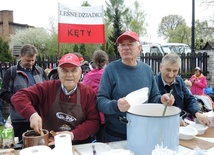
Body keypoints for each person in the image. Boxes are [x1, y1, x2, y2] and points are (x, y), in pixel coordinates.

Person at [96, 31, 174, 142]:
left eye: (130, 44)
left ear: (139, 48)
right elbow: (100, 102)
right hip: (115, 136)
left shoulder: (146, 70)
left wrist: (162, 99)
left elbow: (154, 98)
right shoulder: (111, 70)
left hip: (143, 133)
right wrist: (116, 105)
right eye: (122, 45)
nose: (126, 48)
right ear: (118, 49)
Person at [11, 53, 100, 145]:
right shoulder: (47, 88)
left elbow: (94, 122)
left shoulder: (88, 92)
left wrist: (72, 135)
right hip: (50, 145)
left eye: (74, 70)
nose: (69, 75)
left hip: (79, 146)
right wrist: (32, 115)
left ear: (80, 72)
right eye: (64, 71)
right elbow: (18, 97)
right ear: (58, 72)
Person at [0, 44, 48, 142]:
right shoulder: (12, 72)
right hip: (20, 119)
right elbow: (4, 93)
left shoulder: (40, 71)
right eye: (27, 60)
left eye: (33, 60)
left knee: (41, 144)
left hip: (39, 117)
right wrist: (21, 102)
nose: (30, 63)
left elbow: (48, 91)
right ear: (20, 56)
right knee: (23, 145)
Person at [154, 53, 211, 126]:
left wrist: (197, 113)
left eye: (175, 71)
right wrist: (174, 119)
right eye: (168, 70)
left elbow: (189, 98)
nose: (171, 74)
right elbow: (151, 107)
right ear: (161, 67)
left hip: (182, 124)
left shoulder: (179, 81)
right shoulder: (153, 82)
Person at [82, 50, 109, 142]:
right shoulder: (109, 75)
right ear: (106, 61)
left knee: (98, 141)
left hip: (94, 115)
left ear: (93, 61)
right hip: (108, 114)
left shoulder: (88, 77)